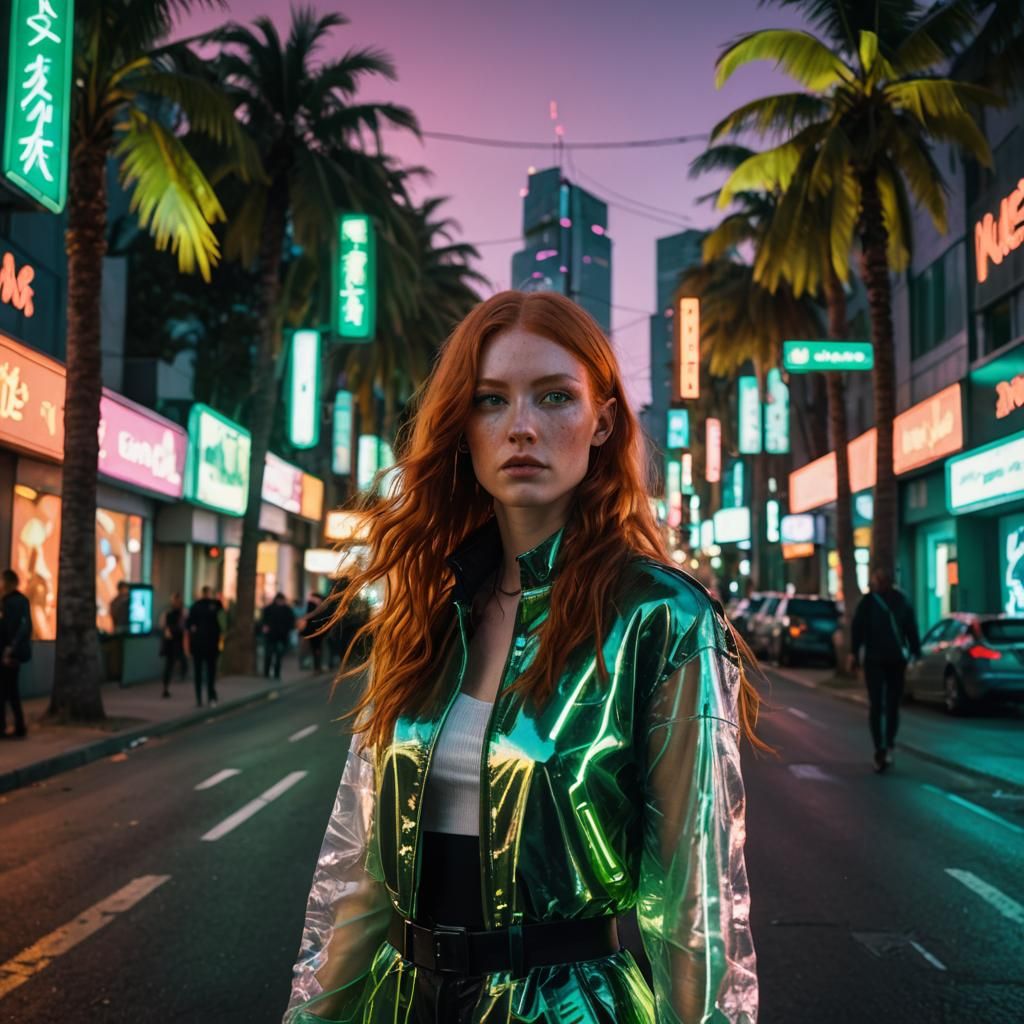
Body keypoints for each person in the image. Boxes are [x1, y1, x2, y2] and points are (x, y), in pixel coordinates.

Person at [283, 291, 764, 1024]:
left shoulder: (660, 619)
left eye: (555, 397)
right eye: (490, 400)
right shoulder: (427, 609)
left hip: (569, 1010)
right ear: (462, 427)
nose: (522, 428)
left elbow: (697, 909)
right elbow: (356, 882)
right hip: (402, 1003)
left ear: (603, 421)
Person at [848, 567, 922, 773]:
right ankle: (887, 744)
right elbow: (911, 628)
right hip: (894, 660)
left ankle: (882, 745)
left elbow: (857, 629)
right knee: (890, 705)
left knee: (878, 705)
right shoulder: (900, 601)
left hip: (877, 660)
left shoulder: (869, 602)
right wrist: (915, 652)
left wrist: (854, 653)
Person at [0, 569, 31, 739]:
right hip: (15, 652)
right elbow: (25, 627)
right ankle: (19, 726)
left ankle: (8, 726)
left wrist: (7, 649)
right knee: (12, 691)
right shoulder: (23, 601)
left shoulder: (7, 602)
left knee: (6, 691)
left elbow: (6, 628)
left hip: (7, 651)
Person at [187, 586, 223, 707]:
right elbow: (222, 620)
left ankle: (200, 698)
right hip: (211, 644)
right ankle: (210, 695)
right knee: (210, 671)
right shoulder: (215, 605)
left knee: (199, 671)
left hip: (199, 644)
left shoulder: (196, 606)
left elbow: (189, 625)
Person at [159, 593, 188, 698]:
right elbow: (163, 626)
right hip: (172, 643)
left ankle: (169, 685)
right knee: (170, 665)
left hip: (175, 642)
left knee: (175, 663)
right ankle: (166, 687)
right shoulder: (170, 613)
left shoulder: (181, 614)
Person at [261, 593, 296, 679]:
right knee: (271, 655)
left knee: (277, 655)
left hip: (279, 636)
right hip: (274, 636)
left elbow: (291, 621)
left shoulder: (286, 610)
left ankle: (274, 673)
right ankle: (269, 673)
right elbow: (263, 621)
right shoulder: (271, 609)